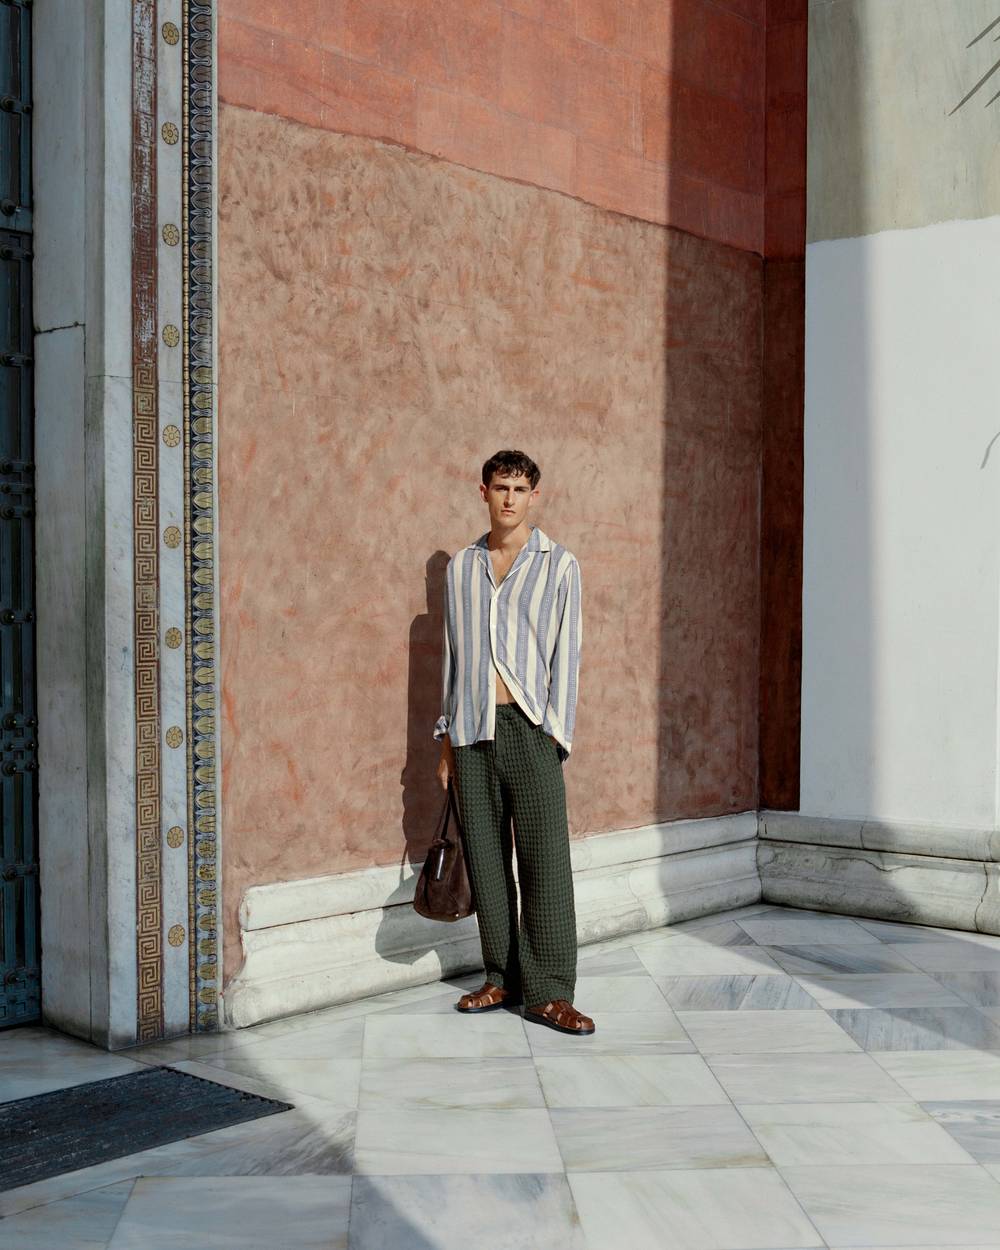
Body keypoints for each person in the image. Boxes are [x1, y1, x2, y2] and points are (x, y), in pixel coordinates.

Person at [433, 449, 594, 1036]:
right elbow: (450, 658)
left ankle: (550, 992)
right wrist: (445, 739)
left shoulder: (559, 565)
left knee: (546, 863)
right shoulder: (461, 568)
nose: (509, 499)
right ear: (482, 491)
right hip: (472, 731)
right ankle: (501, 976)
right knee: (487, 861)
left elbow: (566, 656)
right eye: (500, 487)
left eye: (520, 489)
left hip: (529, 731)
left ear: (534, 496)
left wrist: (555, 734)